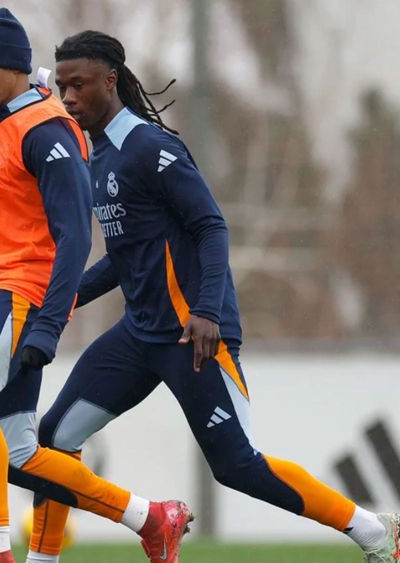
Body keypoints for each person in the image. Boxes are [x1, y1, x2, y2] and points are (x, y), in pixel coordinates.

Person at [22, 29, 400, 563]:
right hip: (140, 333)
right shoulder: (96, 155)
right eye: (62, 86)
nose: (69, 97)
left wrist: (205, 313)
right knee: (55, 435)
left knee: (236, 466)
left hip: (194, 334)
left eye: (79, 85)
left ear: (111, 80)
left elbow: (211, 226)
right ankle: (43, 559)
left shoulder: (151, 148)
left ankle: (376, 531)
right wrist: (57, 302)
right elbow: (127, 257)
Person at [0, 9, 193, 563]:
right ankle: (151, 518)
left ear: (12, 67)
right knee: (20, 454)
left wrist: (51, 323)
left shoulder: (48, 132)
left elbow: (75, 239)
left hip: (17, 293)